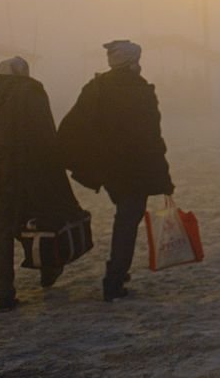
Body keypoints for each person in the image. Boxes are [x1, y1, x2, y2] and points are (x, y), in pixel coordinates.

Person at [0, 56, 81, 311]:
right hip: (31, 175)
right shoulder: (32, 93)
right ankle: (49, 270)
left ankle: (3, 294)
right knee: (39, 225)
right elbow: (46, 135)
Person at [58, 40, 175, 302]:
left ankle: (117, 273)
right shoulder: (141, 90)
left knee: (125, 218)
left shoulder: (96, 87)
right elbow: (151, 138)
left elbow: (71, 126)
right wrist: (163, 178)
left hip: (110, 169)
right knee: (127, 221)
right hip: (135, 168)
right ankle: (114, 278)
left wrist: (89, 160)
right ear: (133, 62)